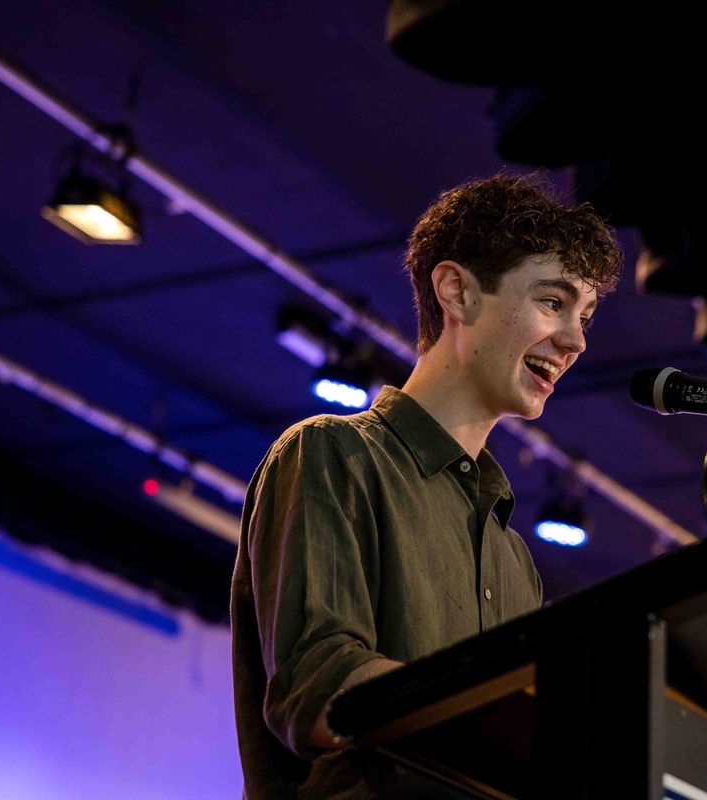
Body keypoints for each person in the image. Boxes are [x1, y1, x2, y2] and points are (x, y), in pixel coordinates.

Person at [230, 173, 623, 799]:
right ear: (456, 291)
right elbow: (318, 685)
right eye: (553, 302)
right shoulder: (333, 452)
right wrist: (518, 723)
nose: (576, 340)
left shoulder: (514, 558)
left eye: (586, 317)